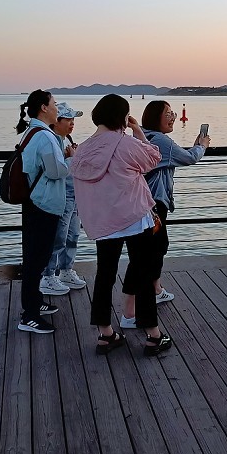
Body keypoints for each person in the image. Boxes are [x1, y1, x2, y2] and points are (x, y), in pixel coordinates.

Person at [72, 94, 172, 356]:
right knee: (143, 273)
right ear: (122, 117)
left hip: (103, 223)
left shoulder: (82, 149)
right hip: (133, 218)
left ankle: (106, 334)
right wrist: (138, 129)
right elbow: (153, 157)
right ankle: (153, 335)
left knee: (105, 275)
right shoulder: (124, 143)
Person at [119, 100, 210, 328]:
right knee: (145, 257)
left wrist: (190, 148)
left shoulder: (143, 137)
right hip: (153, 206)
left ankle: (155, 290)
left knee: (156, 248)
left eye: (174, 113)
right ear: (155, 116)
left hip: (140, 204)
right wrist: (203, 146)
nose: (174, 117)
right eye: (168, 113)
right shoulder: (159, 140)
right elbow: (189, 158)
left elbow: (175, 156)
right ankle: (131, 312)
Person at [15, 90, 72, 334]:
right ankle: (29, 315)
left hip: (35, 201)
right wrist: (72, 159)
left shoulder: (33, 131)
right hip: (43, 204)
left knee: (35, 257)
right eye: (54, 104)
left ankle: (35, 302)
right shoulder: (45, 137)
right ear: (43, 107)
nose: (57, 108)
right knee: (36, 260)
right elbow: (54, 171)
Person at [39, 102, 87, 297]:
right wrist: (72, 157)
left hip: (74, 195)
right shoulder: (52, 141)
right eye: (68, 119)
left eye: (73, 119)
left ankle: (66, 270)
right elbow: (54, 170)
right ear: (56, 121)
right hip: (62, 196)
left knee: (73, 235)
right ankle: (48, 275)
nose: (72, 123)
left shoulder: (65, 140)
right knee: (58, 237)